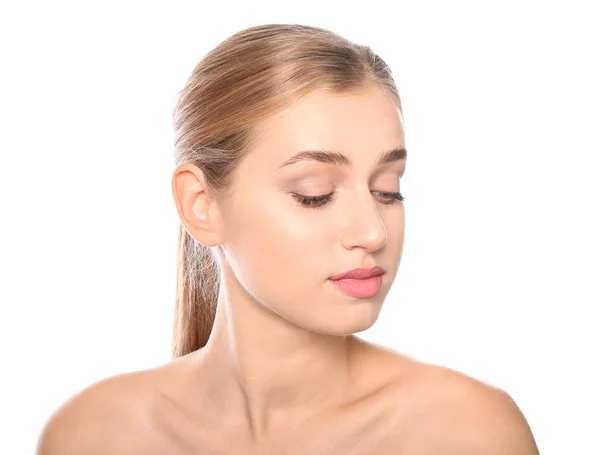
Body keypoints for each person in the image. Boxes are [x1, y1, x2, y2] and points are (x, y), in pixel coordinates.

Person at [36, 23, 540, 454]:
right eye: (314, 194)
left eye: (387, 191)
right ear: (201, 205)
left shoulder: (467, 432)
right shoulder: (93, 435)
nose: (372, 231)